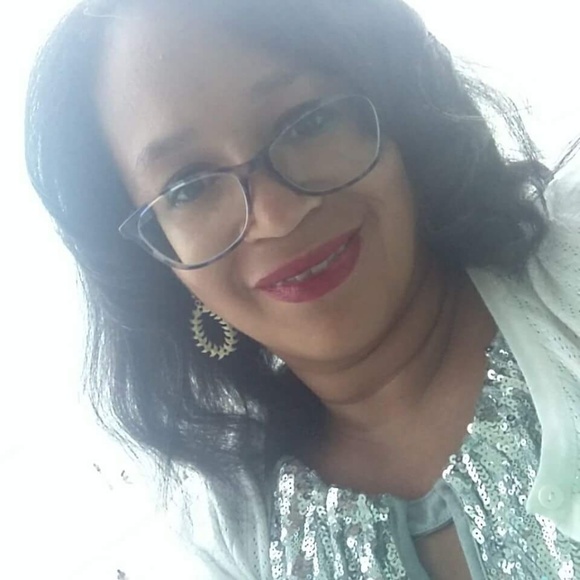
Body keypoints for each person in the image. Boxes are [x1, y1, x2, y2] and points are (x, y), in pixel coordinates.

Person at [25, 0, 580, 578]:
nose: (276, 215)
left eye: (306, 122)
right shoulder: (226, 535)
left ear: (393, 107)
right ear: (155, 258)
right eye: (188, 187)